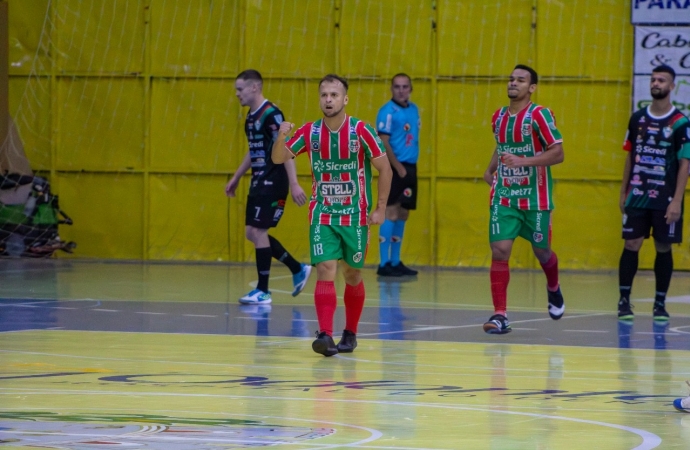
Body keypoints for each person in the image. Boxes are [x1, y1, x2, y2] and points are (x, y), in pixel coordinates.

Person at [272, 74, 393, 356]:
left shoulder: (361, 131)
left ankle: (350, 332)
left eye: (334, 95)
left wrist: (380, 209)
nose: (329, 100)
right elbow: (278, 158)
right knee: (325, 270)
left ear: (345, 99)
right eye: (324, 95)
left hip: (355, 215)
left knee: (352, 274)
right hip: (323, 213)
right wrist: (281, 136)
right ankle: (325, 335)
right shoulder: (309, 132)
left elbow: (384, 169)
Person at [482, 64, 565, 335]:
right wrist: (490, 169)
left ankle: (553, 287)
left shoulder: (539, 116)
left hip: (536, 199)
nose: (513, 83)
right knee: (500, 251)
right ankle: (500, 315)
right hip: (505, 196)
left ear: (532, 88)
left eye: (520, 80)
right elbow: (502, 146)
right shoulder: (498, 117)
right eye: (511, 79)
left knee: (542, 251)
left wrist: (524, 161)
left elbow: (558, 153)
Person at [225, 69, 312, 305]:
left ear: (255, 87)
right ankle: (297, 268)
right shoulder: (250, 117)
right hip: (258, 179)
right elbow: (254, 151)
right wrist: (236, 177)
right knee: (252, 232)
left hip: (274, 180)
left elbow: (286, 149)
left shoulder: (272, 114)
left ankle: (263, 291)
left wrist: (294, 183)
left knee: (258, 232)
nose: (237, 94)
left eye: (240, 89)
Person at [617, 64, 690, 322]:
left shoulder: (680, 123)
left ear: (672, 87)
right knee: (631, 244)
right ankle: (624, 301)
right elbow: (629, 156)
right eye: (653, 79)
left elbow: (685, 163)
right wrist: (623, 191)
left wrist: (678, 200)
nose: (655, 83)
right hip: (637, 195)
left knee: (663, 246)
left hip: (665, 198)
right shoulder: (637, 118)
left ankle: (660, 304)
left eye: (661, 80)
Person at [376, 73, 421, 277]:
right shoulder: (387, 111)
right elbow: (383, 142)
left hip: (410, 167)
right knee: (391, 212)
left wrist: (407, 169)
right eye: (397, 87)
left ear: (410, 89)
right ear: (391, 89)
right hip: (396, 167)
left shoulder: (414, 110)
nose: (401, 90)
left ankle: (395, 261)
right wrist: (397, 167)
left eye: (405, 87)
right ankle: (384, 263)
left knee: (403, 213)